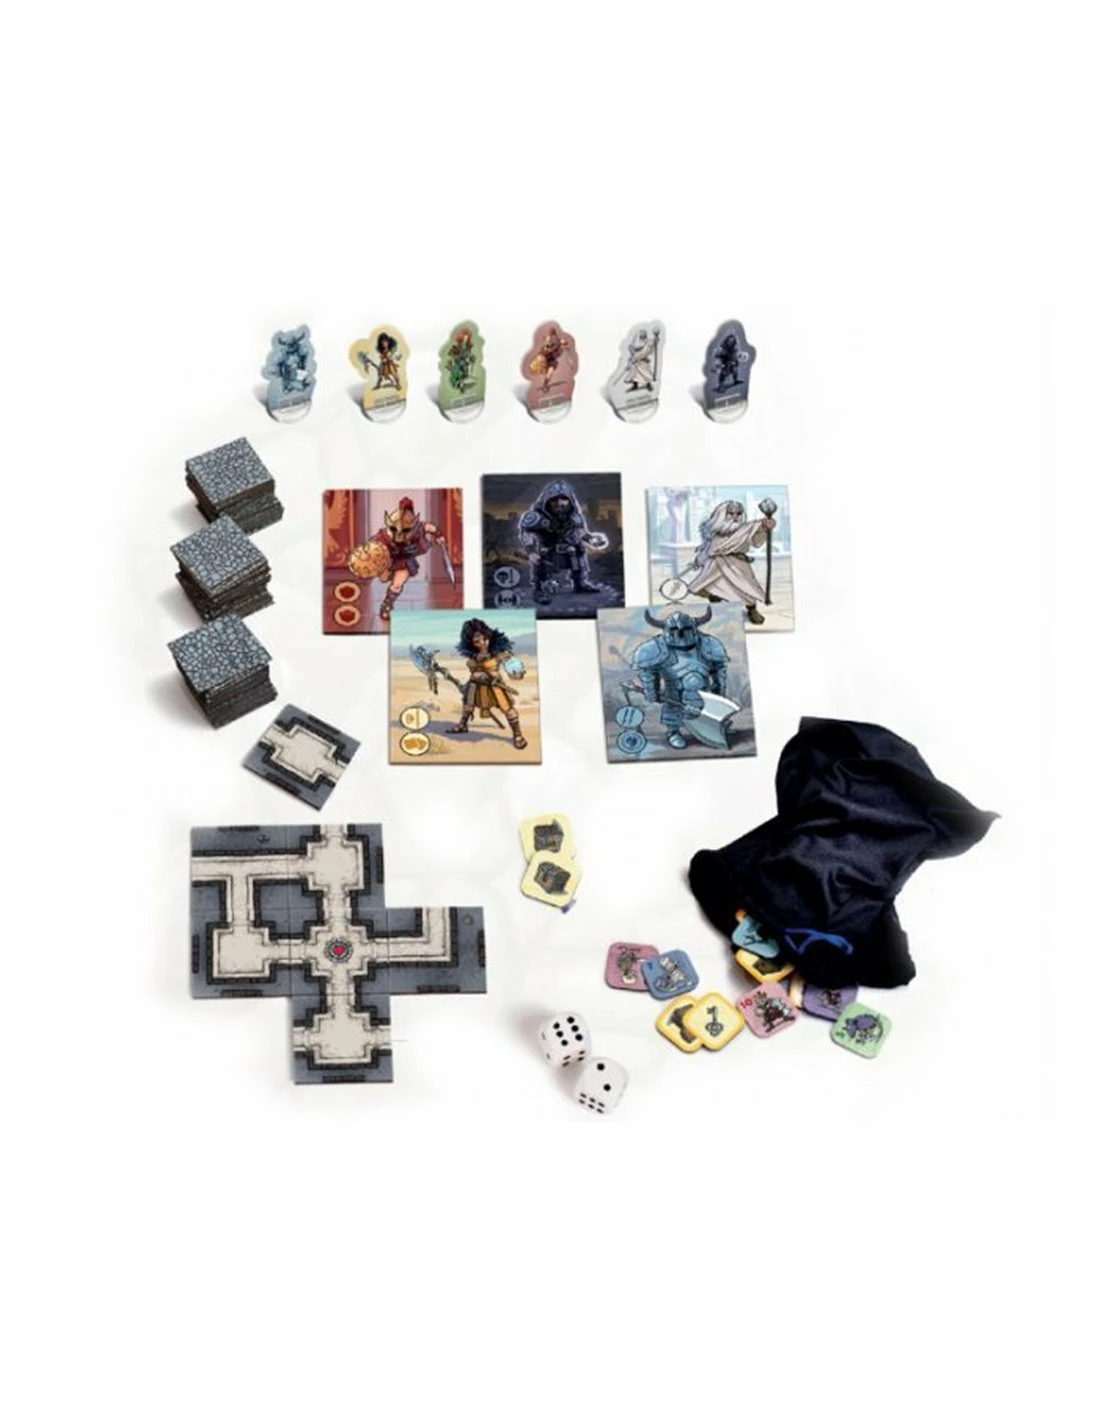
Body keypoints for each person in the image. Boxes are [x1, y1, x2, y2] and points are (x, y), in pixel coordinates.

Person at [685, 500, 776, 625]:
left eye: (738, 514)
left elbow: (756, 537)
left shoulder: (745, 529)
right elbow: (708, 549)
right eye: (731, 513)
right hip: (716, 566)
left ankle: (752, 610)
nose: (735, 517)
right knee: (714, 588)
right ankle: (716, 610)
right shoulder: (716, 533)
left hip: (737, 564)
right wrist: (698, 561)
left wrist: (764, 527)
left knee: (747, 587)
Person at [450, 618, 528, 749]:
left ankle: (518, 735)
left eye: (485, 639)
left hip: (495, 686)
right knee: (468, 706)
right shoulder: (473, 656)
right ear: (470, 642)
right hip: (474, 686)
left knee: (508, 709)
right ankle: (463, 725)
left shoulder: (498, 653)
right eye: (477, 641)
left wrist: (516, 672)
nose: (482, 643)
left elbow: (512, 665)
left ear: (489, 636)